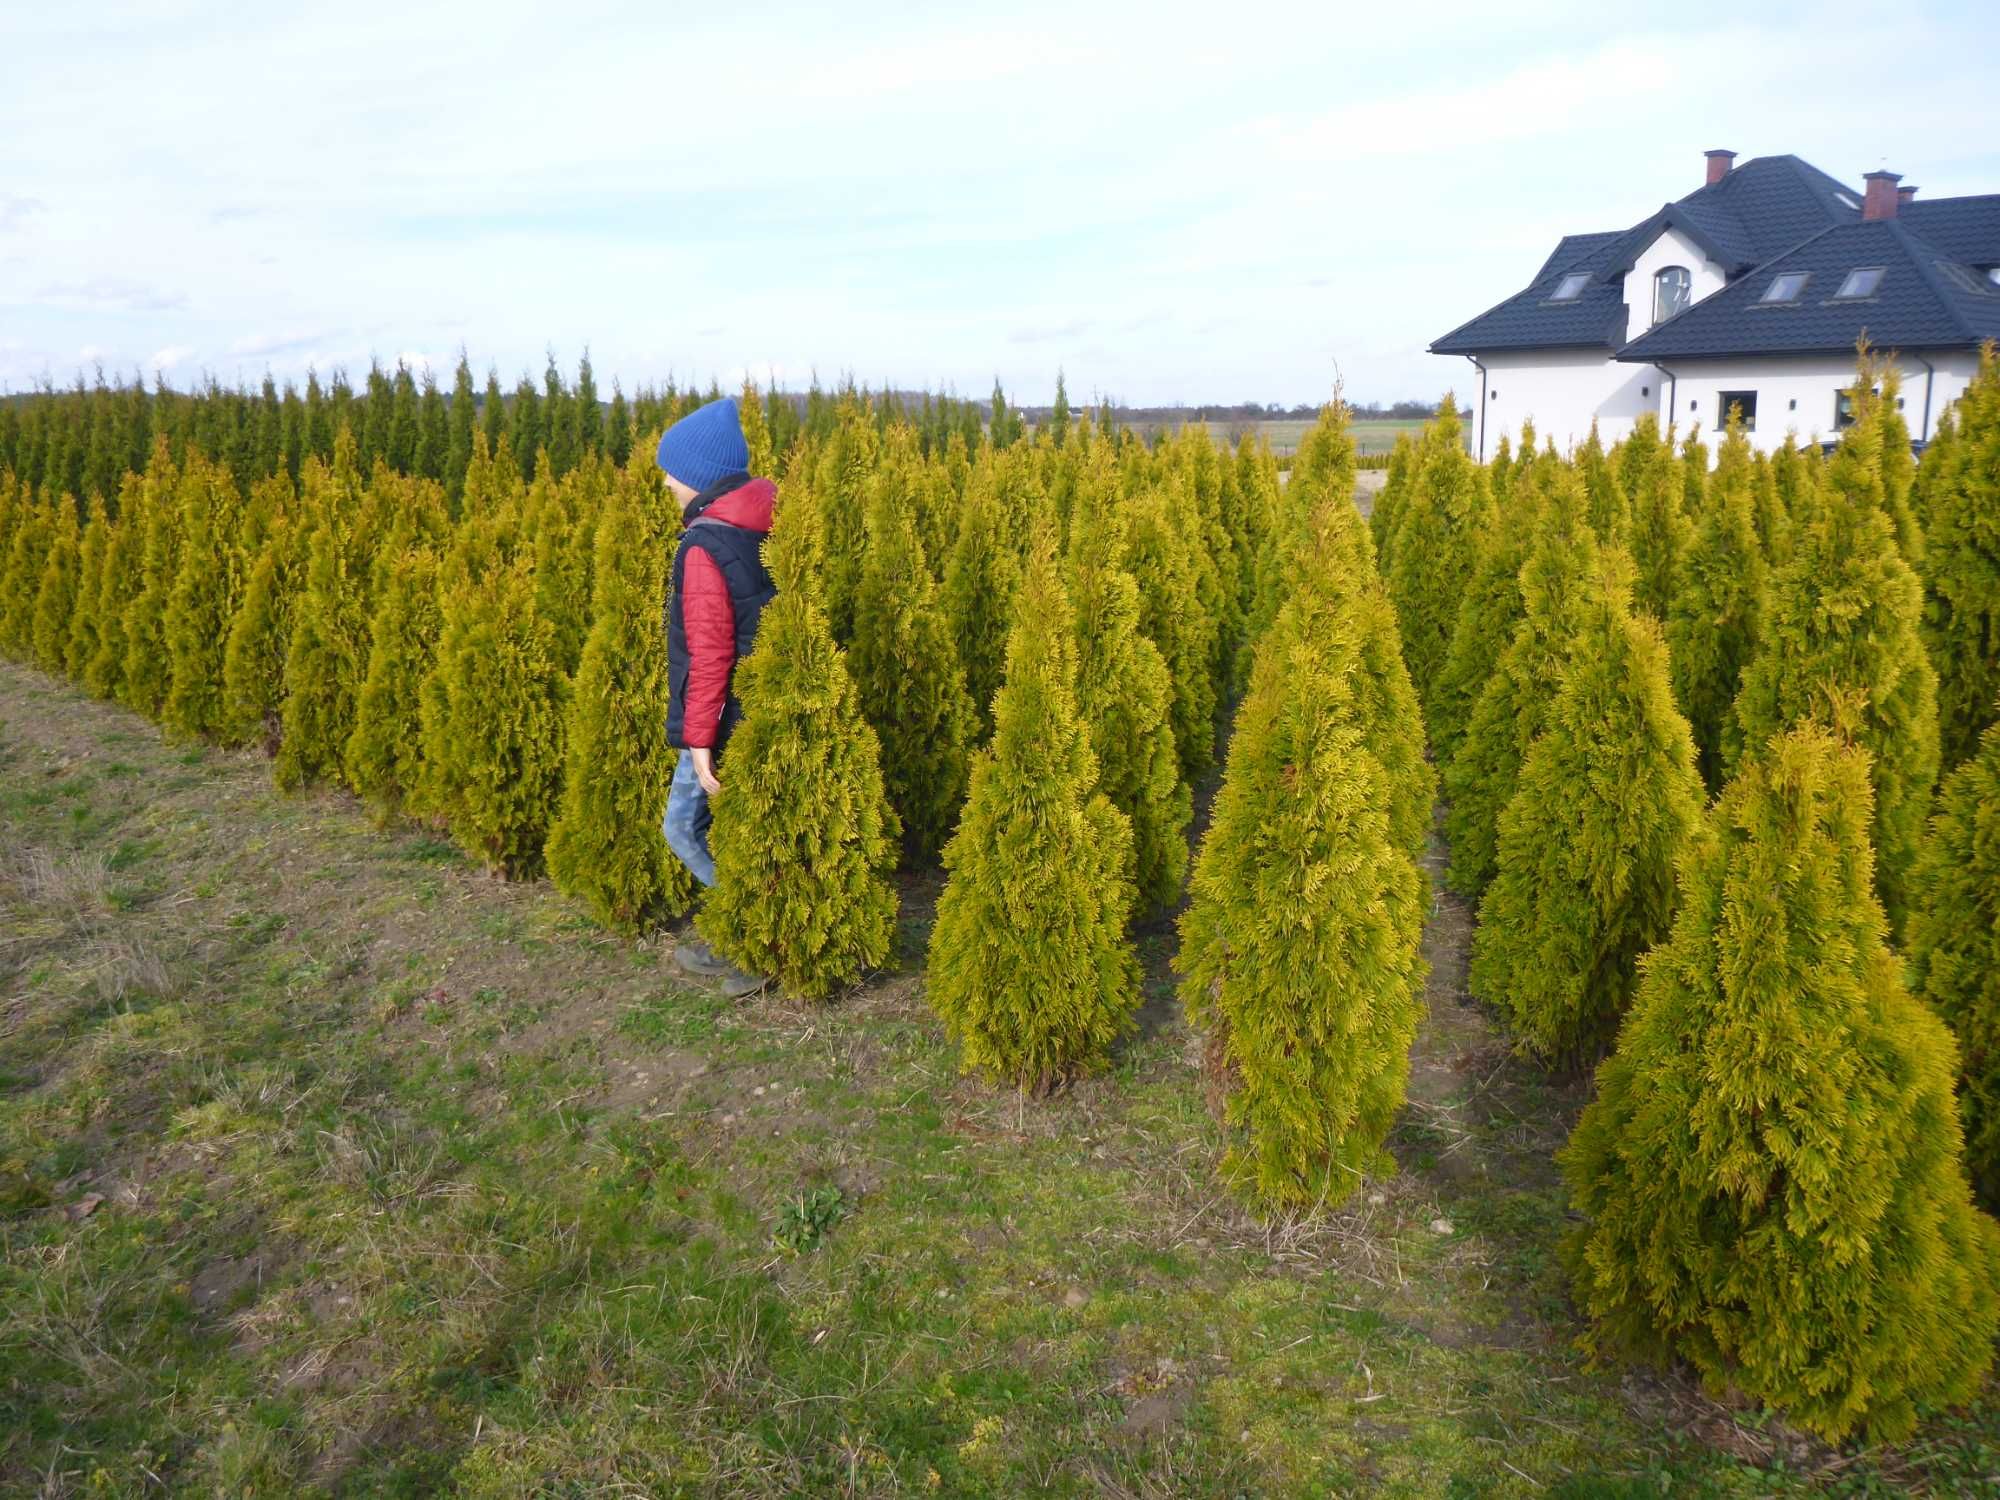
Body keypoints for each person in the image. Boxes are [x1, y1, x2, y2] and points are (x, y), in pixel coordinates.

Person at [656, 397, 776, 997]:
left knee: (681, 828)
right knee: (741, 833)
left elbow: (710, 652)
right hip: (761, 707)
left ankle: (750, 934)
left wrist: (699, 740)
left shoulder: (703, 545)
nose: (667, 482)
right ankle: (749, 929)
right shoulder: (762, 528)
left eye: (672, 471)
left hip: (722, 715)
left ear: (700, 477)